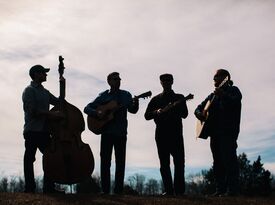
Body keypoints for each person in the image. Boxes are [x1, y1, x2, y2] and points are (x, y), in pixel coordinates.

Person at [84, 72, 139, 194]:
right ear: (109, 81)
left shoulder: (126, 95)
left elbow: (133, 110)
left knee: (120, 162)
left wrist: (136, 103)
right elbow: (87, 108)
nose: (118, 81)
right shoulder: (103, 96)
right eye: (115, 79)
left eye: (119, 79)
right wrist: (98, 113)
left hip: (121, 133)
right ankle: (105, 190)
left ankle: (118, 190)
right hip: (107, 132)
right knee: (105, 162)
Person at [194, 69, 242, 196]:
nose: (214, 79)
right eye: (214, 77)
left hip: (228, 131)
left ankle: (233, 191)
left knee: (229, 160)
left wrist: (223, 95)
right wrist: (200, 114)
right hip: (214, 133)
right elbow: (198, 108)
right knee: (217, 162)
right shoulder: (211, 96)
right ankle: (220, 189)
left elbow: (235, 102)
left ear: (225, 78)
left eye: (216, 77)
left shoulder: (234, 90)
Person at [144, 74, 188, 196]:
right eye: (164, 81)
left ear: (172, 81)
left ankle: (179, 191)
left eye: (169, 80)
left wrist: (176, 107)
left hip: (176, 134)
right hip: (161, 135)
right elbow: (146, 115)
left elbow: (185, 114)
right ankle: (168, 191)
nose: (166, 82)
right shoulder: (156, 99)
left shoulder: (180, 97)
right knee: (164, 164)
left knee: (179, 163)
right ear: (161, 83)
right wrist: (156, 112)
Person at [22, 65, 64, 193]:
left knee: (51, 157)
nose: (46, 75)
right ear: (35, 74)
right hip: (32, 130)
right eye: (43, 73)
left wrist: (62, 81)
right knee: (29, 159)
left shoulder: (45, 92)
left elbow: (60, 102)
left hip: (44, 131)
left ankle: (49, 188)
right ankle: (29, 188)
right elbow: (32, 111)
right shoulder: (28, 90)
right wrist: (51, 114)